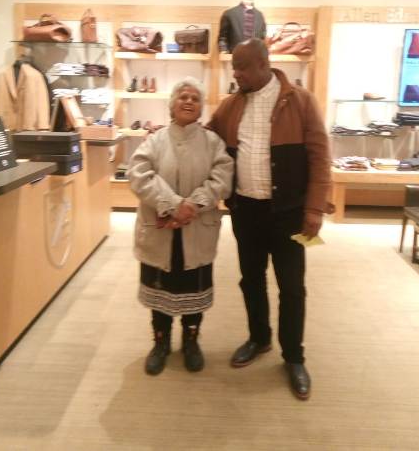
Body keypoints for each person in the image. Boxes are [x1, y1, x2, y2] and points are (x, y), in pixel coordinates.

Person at [208, 38, 331, 400]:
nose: (236, 74)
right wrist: (173, 131)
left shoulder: (301, 101)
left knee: (292, 287)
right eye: (234, 67)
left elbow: (320, 157)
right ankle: (259, 338)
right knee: (251, 279)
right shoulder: (231, 106)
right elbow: (206, 138)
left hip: (290, 213)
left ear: (264, 64)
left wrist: (314, 208)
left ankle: (294, 357)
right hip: (246, 211)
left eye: (242, 67)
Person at [127, 77, 233, 376]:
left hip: (197, 231)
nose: (188, 101)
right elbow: (139, 175)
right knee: (160, 289)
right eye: (183, 97)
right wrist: (173, 204)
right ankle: (160, 343)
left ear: (201, 107)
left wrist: (194, 204)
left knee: (192, 289)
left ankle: (191, 342)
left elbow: (223, 178)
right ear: (172, 104)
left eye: (195, 98)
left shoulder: (213, 142)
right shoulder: (155, 140)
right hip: (160, 231)